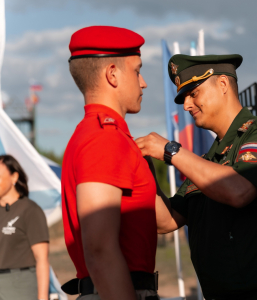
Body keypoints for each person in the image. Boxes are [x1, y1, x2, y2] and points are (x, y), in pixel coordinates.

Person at [136, 54, 257, 300]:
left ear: (222, 85)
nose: (187, 105)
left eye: (194, 93)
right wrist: (141, 164)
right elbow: (165, 221)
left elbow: (238, 190)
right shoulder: (208, 160)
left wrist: (171, 151)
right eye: (184, 98)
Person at [61, 26, 167, 300]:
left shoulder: (97, 134)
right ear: (112, 74)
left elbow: (163, 219)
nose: (143, 82)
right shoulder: (105, 138)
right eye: (137, 70)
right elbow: (99, 249)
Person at [0, 154, 50, 300]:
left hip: (20, 286)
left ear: (14, 177)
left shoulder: (30, 210)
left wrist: (43, 297)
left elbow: (42, 259)